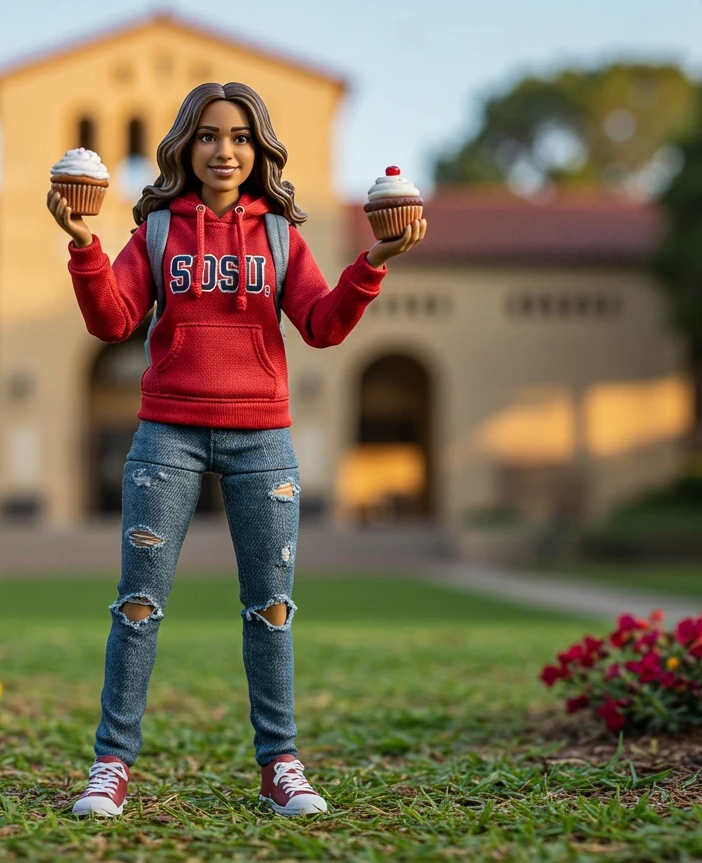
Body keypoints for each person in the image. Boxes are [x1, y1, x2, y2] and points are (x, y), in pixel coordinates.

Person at [45, 81, 427, 817]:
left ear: (261, 151)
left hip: (263, 441)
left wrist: (373, 261)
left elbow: (321, 325)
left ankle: (279, 764)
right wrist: (86, 246)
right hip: (168, 435)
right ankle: (111, 765)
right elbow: (112, 321)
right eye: (212, 136)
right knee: (138, 606)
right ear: (187, 147)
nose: (227, 150)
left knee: (272, 609)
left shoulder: (281, 235)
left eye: (243, 137)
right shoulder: (156, 231)